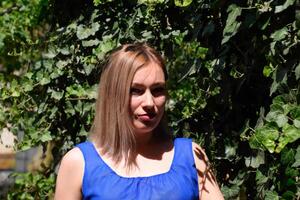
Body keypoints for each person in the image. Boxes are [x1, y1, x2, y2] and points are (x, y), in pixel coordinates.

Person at [54, 43, 224, 200]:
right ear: (112, 94)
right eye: (136, 91)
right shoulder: (78, 163)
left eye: (158, 90)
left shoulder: (191, 157)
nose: (149, 103)